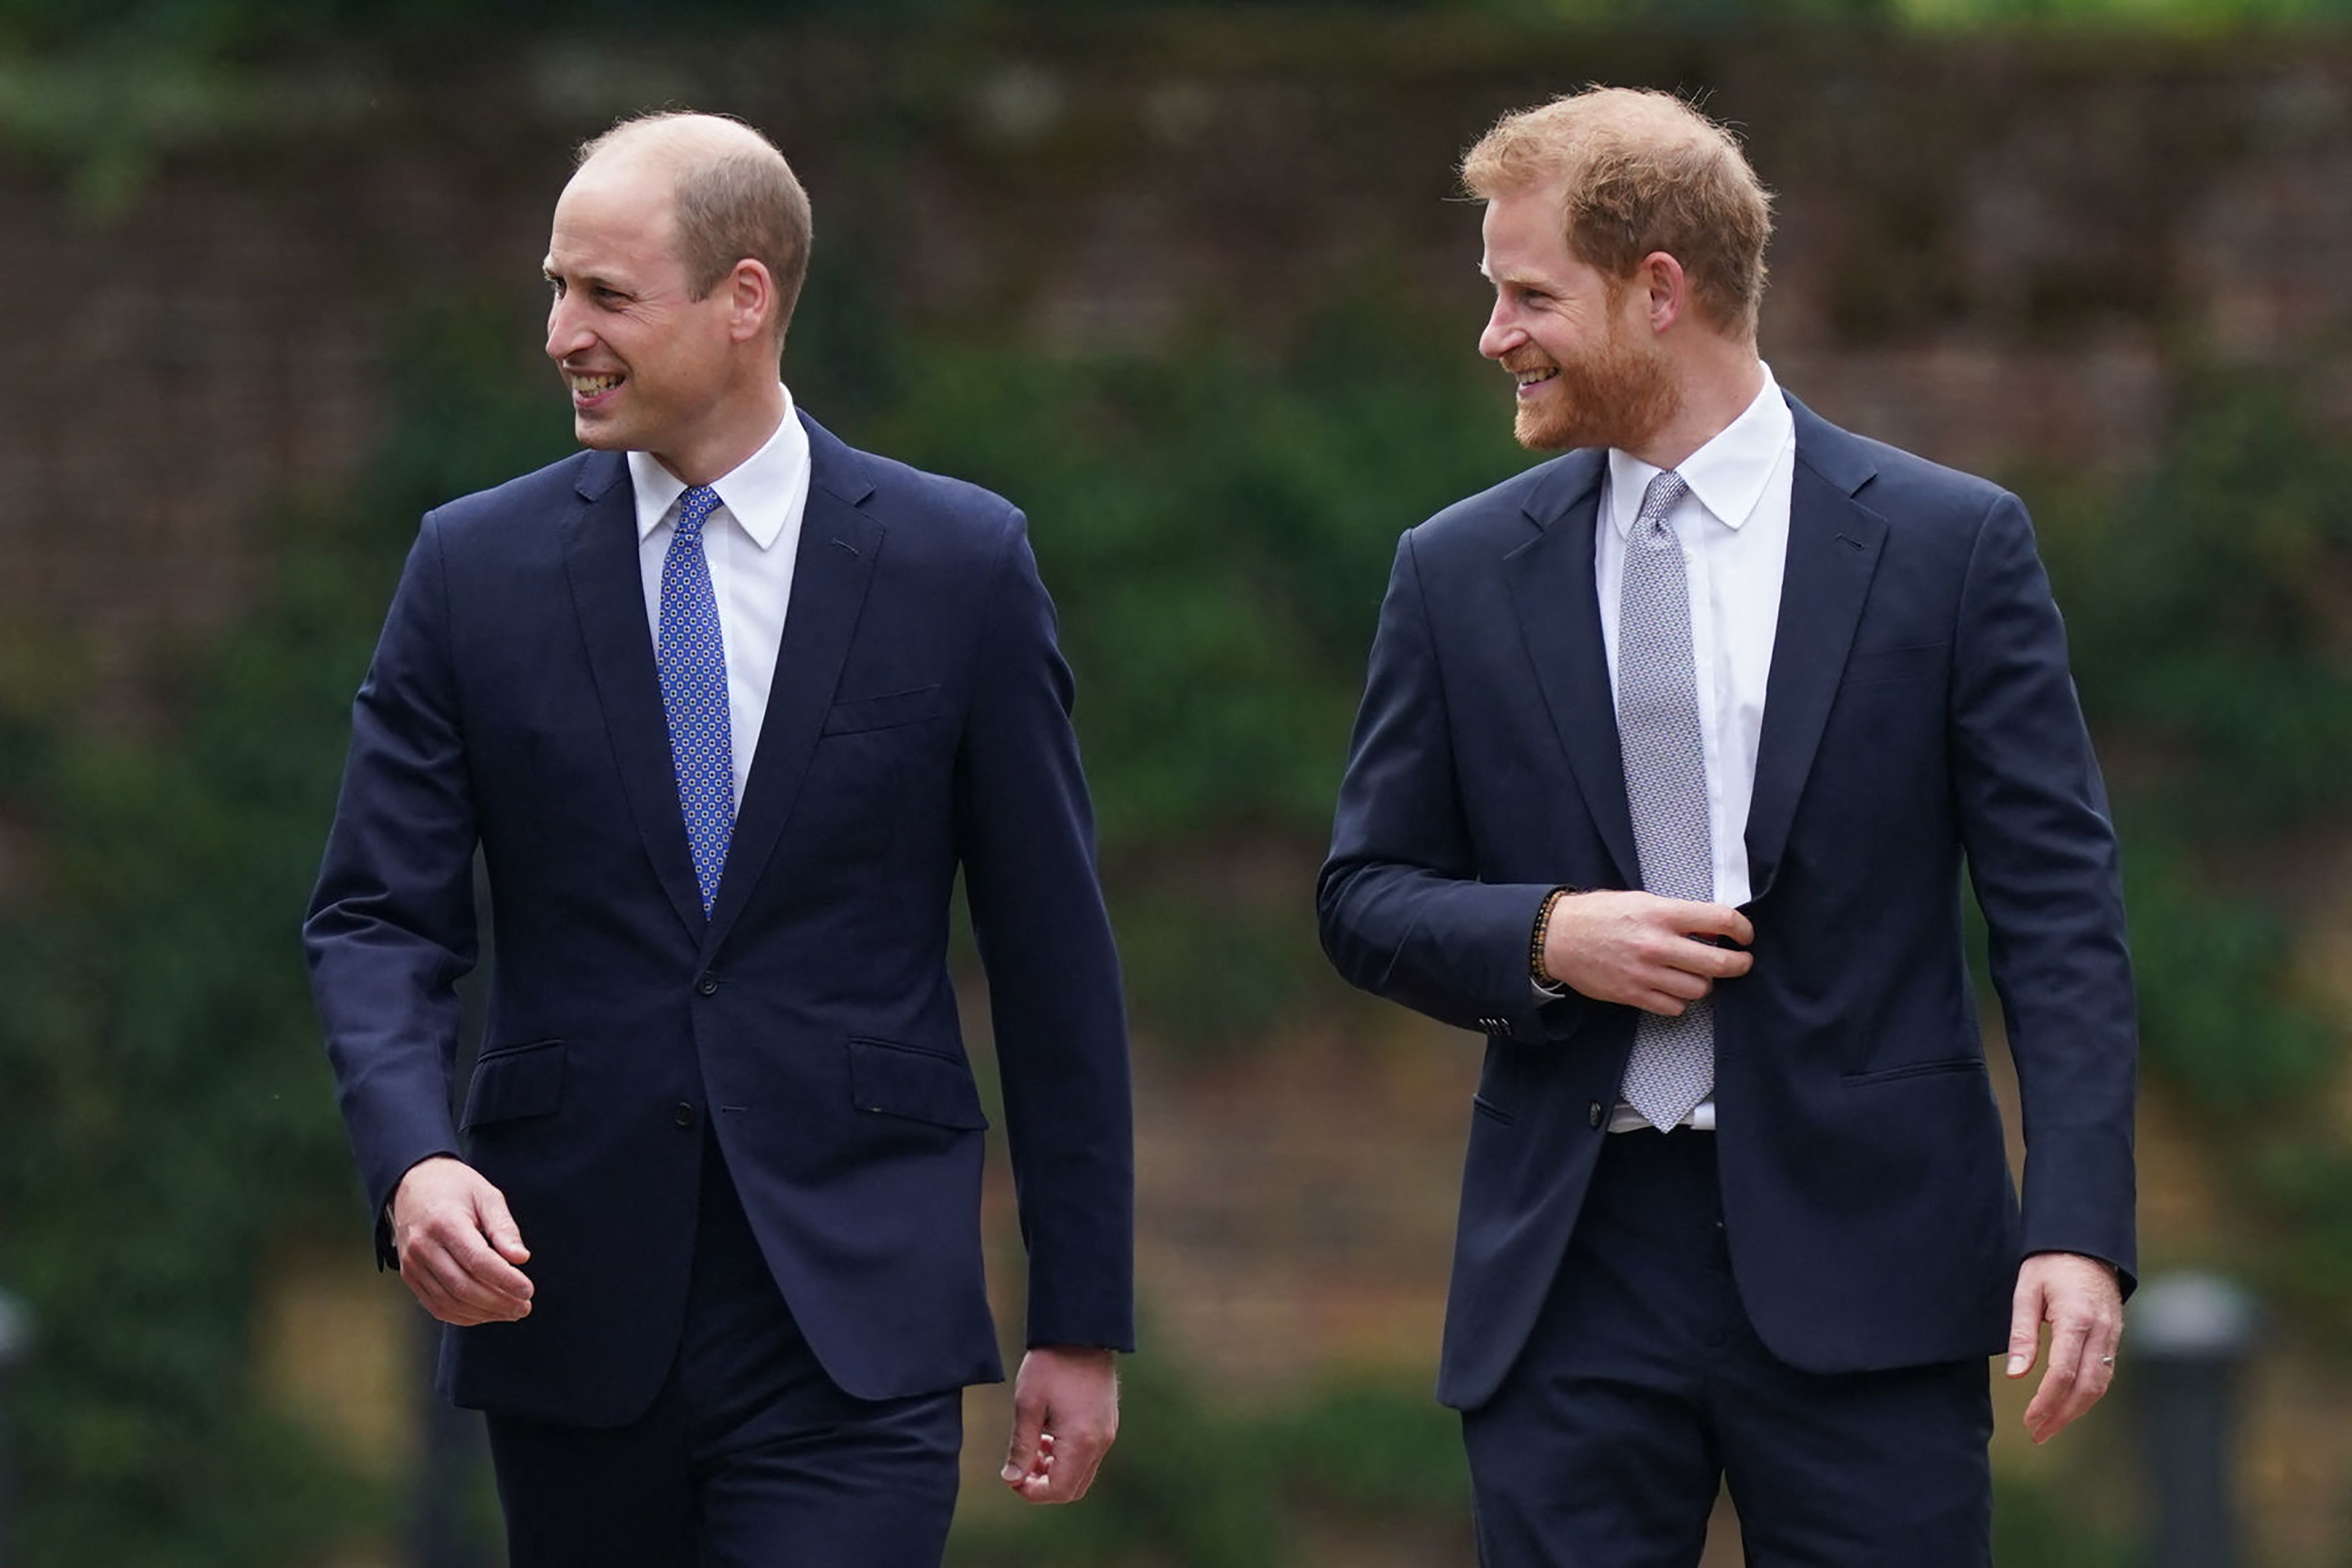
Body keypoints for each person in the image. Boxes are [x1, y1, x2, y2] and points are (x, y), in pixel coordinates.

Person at [1316, 87, 2135, 1567]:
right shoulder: (1451, 573)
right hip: (1565, 1270)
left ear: (1656, 291)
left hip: (1872, 1265)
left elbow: (2058, 915)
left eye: (1524, 295)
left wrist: (2075, 1226)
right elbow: (1363, 895)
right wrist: (1544, 934)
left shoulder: (1950, 549)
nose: (1493, 334)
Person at [304, 111, 1132, 1568]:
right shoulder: (469, 570)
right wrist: (413, 1161)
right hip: (564, 1301)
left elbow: (1053, 956)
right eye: (553, 290)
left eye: (605, 295)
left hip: (853, 1311)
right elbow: (380, 916)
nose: (562, 334)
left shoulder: (957, 565)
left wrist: (1078, 1316)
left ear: (745, 299)